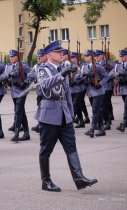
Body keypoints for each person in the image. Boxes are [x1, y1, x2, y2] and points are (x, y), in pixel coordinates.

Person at [35, 40, 98, 192]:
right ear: (50, 55)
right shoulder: (43, 69)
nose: (62, 54)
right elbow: (45, 85)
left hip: (64, 113)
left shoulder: (63, 68)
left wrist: (71, 112)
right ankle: (46, 181)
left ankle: (79, 178)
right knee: (46, 149)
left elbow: (67, 93)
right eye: (58, 52)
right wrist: (62, 74)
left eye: (62, 52)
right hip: (49, 114)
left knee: (71, 146)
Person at [0, 50, 31, 142]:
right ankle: (26, 133)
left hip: (22, 91)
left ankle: (16, 133)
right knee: (21, 111)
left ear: (17, 57)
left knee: (18, 111)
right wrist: (7, 76)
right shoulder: (8, 66)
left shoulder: (23, 66)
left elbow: (32, 74)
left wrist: (25, 82)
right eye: (10, 56)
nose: (11, 58)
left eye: (12, 56)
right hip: (14, 91)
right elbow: (2, 76)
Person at [77, 50, 109, 138]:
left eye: (87, 56)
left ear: (92, 57)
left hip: (98, 91)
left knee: (95, 110)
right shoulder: (84, 67)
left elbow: (107, 76)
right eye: (85, 56)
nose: (85, 57)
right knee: (97, 110)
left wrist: (100, 84)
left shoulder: (98, 67)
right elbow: (79, 76)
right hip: (90, 91)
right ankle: (102, 129)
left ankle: (92, 129)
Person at [94, 49, 115, 130]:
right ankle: (102, 121)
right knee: (102, 105)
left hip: (107, 86)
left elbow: (115, 68)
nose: (96, 57)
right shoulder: (95, 63)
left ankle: (107, 122)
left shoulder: (107, 62)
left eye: (98, 56)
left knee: (104, 105)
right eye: (95, 56)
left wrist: (109, 75)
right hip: (100, 86)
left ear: (102, 55)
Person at [30, 49, 47, 133]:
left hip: (47, 92)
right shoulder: (36, 66)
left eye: (40, 57)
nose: (38, 59)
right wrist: (37, 76)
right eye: (38, 57)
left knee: (46, 110)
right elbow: (30, 74)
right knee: (40, 108)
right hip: (40, 92)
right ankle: (40, 124)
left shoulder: (48, 66)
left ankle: (42, 126)